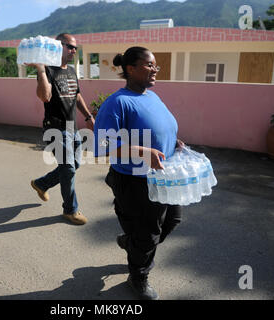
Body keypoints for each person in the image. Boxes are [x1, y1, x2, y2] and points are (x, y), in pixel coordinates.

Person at [93, 46, 184, 300]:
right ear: (130, 69)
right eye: (149, 65)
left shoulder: (152, 97)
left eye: (156, 65)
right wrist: (143, 152)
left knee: (172, 220)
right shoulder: (118, 103)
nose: (155, 70)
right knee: (148, 233)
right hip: (134, 181)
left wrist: (174, 143)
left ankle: (131, 242)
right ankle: (138, 276)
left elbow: (161, 129)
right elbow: (101, 145)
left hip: (162, 176)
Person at [28, 33, 94, 225]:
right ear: (58, 47)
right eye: (70, 46)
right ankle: (70, 210)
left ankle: (41, 183)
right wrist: (40, 70)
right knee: (68, 168)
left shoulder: (72, 71)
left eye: (75, 47)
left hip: (72, 128)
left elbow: (77, 95)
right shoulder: (48, 70)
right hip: (55, 129)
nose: (74, 50)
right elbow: (45, 97)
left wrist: (88, 116)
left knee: (74, 166)